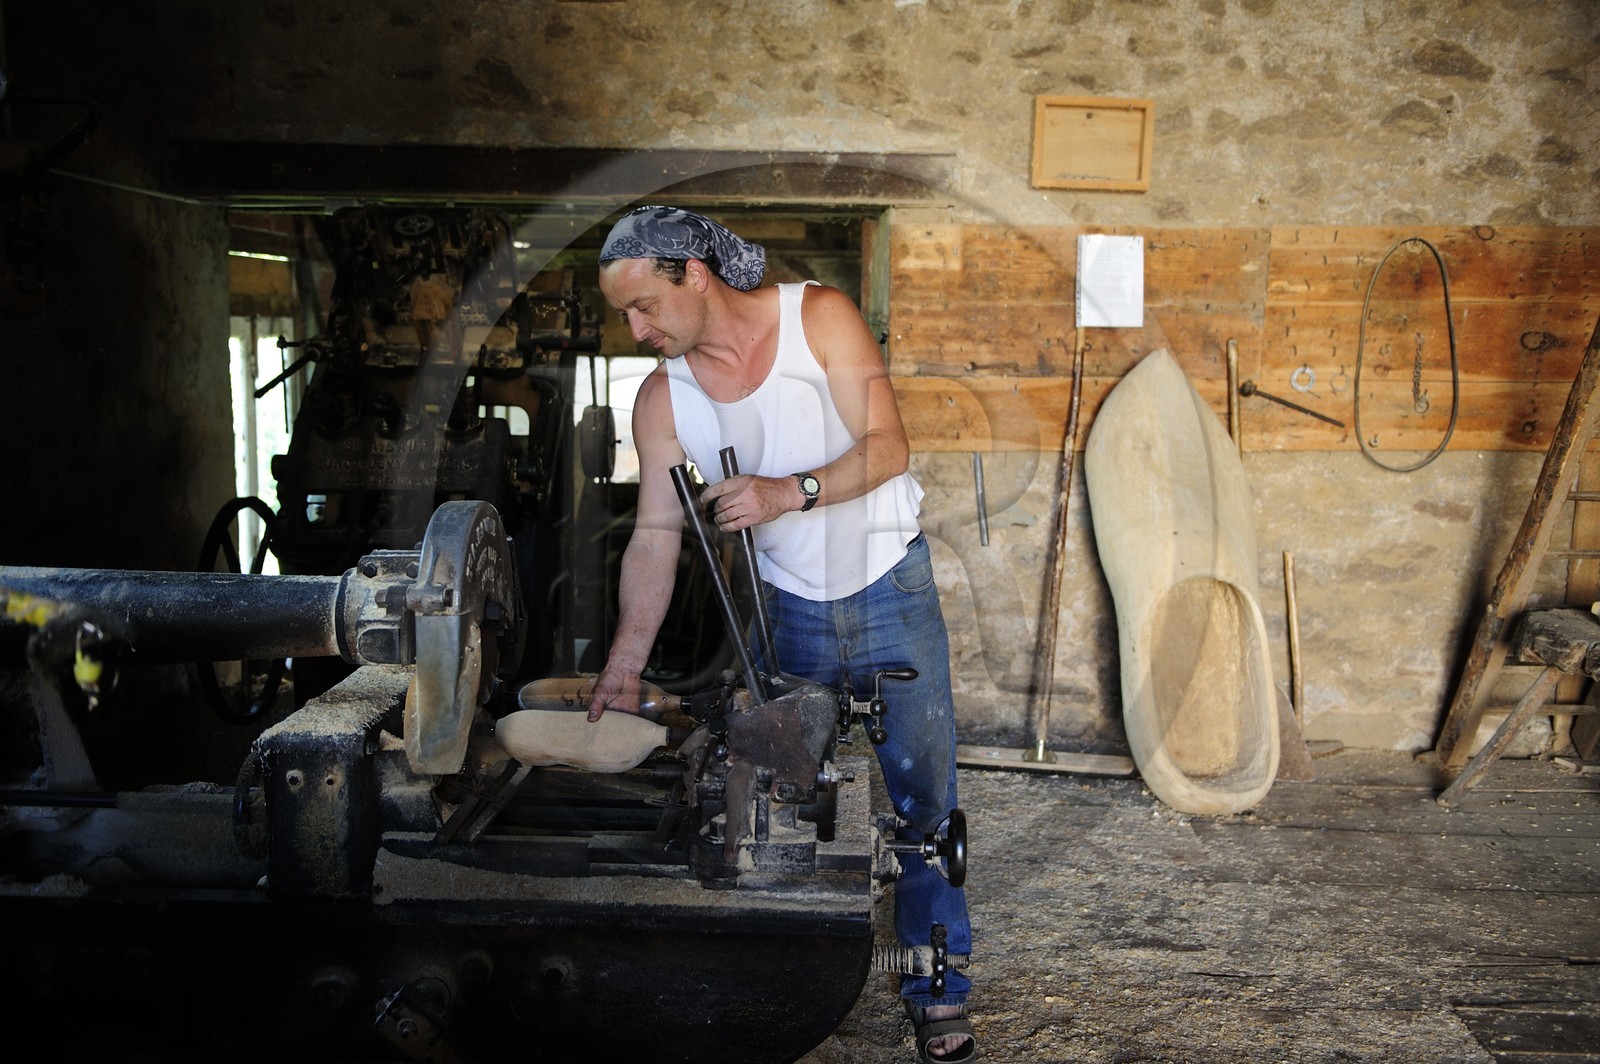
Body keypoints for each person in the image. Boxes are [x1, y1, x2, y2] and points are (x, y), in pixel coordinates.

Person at [584, 205, 976, 1062]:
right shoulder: (663, 400)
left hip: (887, 587)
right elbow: (655, 536)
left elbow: (890, 447)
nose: (637, 329)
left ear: (694, 272)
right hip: (783, 607)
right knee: (776, 799)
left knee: (923, 801)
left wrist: (781, 494)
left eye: (644, 306)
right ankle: (783, 978)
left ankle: (938, 989)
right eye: (625, 316)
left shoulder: (817, 319)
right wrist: (623, 661)